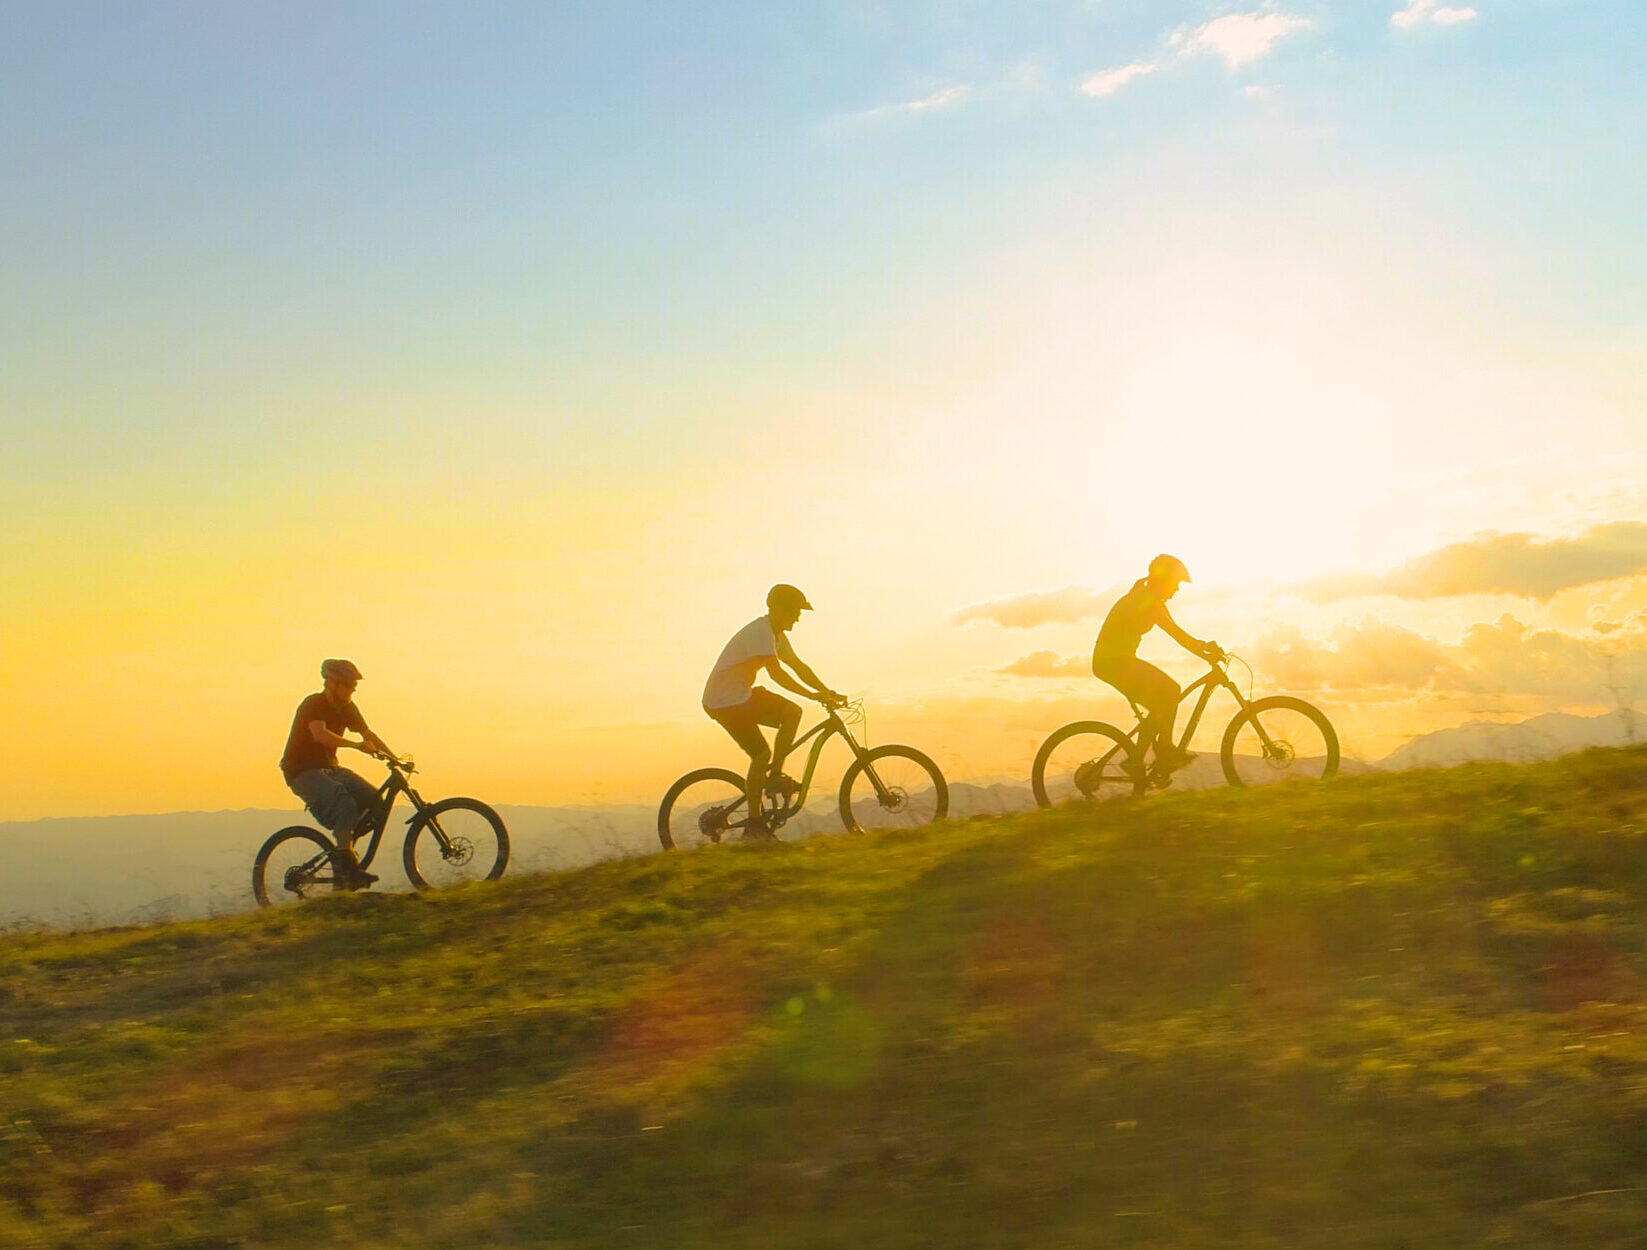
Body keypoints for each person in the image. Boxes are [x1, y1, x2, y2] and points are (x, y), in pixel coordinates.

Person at [702, 585, 842, 839]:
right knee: (761, 754)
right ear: (778, 609)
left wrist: (827, 692)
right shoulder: (760, 632)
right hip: (723, 701)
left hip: (740, 695)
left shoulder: (776, 635)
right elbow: (776, 674)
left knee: (792, 712)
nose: (798, 618)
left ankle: (775, 776)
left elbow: (800, 667)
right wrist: (812, 695)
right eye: (794, 612)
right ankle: (754, 825)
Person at [1090, 555, 1222, 782]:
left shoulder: (1147, 596)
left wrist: (1204, 648)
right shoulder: (1147, 599)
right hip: (1113, 662)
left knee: (1161, 703)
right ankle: (1165, 750)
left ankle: (1137, 760)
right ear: (1165, 580)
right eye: (1177, 583)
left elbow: (1180, 634)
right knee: (1171, 690)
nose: (1178, 590)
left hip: (1115, 661)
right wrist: (1205, 651)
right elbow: (1179, 636)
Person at [279, 658, 398, 887]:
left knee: (376, 802)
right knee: (342, 800)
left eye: (354, 687)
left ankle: (344, 855)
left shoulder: (348, 708)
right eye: (348, 685)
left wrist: (395, 759)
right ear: (333, 684)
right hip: (301, 771)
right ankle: (347, 866)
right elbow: (320, 735)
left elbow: (368, 734)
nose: (352, 691)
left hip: (329, 768)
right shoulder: (314, 703)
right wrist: (355, 746)